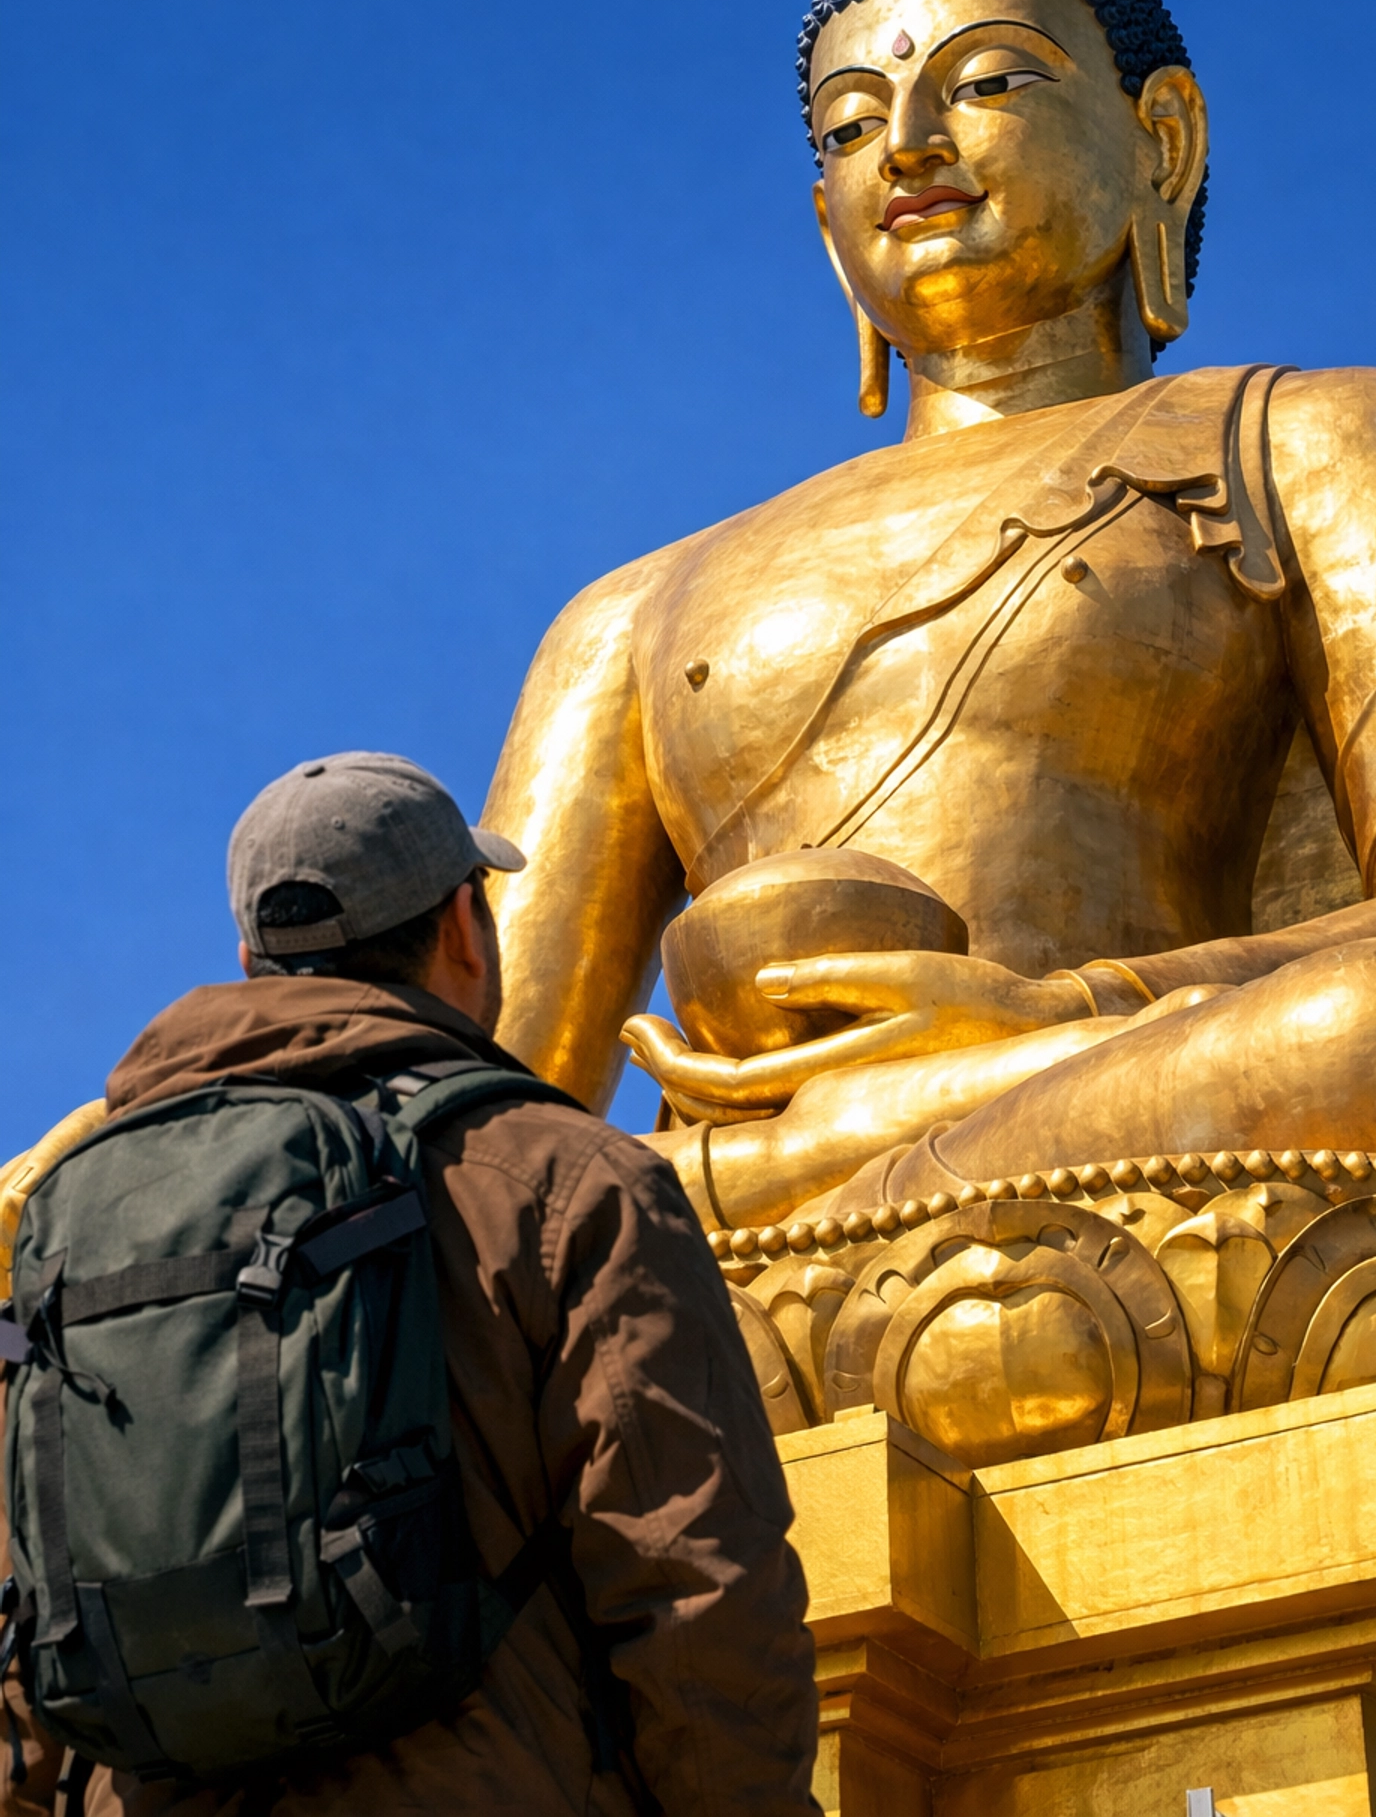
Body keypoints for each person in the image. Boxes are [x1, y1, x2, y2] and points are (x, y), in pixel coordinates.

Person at [477, 0, 1376, 1231]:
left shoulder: (1335, 438)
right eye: (852, 124)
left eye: (988, 86)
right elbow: (486, 1099)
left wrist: (1050, 1014)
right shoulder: (630, 611)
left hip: (1168, 1177)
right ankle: (773, 1181)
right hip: (749, 1212)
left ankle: (801, 1175)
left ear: (1163, 140)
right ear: (824, 219)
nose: (908, 147)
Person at [0, 752, 821, 1816]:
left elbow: (27, 1627)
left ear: (253, 957)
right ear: (463, 931)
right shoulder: (565, 1178)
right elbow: (692, 1580)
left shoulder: (80, 1213)